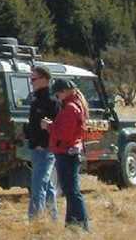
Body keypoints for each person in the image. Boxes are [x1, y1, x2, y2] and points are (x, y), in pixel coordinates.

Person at [41, 79, 90, 231]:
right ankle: (72, 223)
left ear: (64, 91)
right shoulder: (75, 105)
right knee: (71, 191)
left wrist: (49, 126)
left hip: (66, 152)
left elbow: (65, 134)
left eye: (58, 93)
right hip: (70, 152)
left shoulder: (69, 108)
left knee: (72, 191)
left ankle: (81, 224)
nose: (57, 96)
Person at [24, 65, 59, 221]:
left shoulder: (52, 101)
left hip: (46, 149)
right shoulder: (35, 100)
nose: (31, 82)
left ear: (44, 79)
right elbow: (34, 125)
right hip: (36, 149)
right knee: (47, 185)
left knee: (38, 186)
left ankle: (35, 221)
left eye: (34, 79)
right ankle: (53, 218)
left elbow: (56, 127)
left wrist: (43, 143)